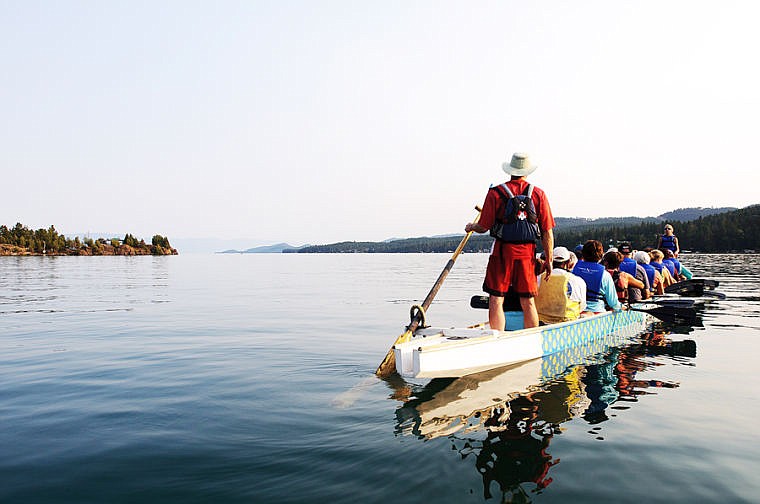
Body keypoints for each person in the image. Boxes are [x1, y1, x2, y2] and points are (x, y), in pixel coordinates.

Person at [465, 153, 555, 330]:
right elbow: (547, 232)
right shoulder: (539, 194)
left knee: (496, 299)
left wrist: (471, 227)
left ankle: (496, 339)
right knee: (528, 301)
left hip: (502, 253)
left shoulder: (495, 193)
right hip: (527, 255)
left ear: (510, 171)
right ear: (527, 172)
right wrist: (549, 260)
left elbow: (484, 227)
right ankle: (532, 339)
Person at [535, 246, 587, 324]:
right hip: (567, 324)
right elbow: (582, 306)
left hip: (541, 322)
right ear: (568, 262)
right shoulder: (578, 281)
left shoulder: (538, 278)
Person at [572, 240, 621, 314]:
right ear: (601, 256)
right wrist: (621, 307)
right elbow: (613, 303)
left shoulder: (573, 271)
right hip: (597, 313)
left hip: (576, 312)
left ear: (583, 254)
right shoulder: (605, 275)